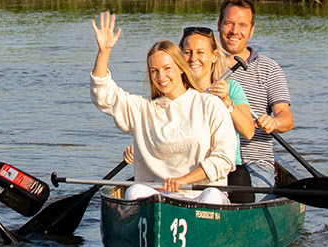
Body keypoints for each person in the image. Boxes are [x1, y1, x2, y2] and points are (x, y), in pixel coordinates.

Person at [87, 11, 235, 204]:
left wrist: (183, 181)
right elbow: (104, 96)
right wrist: (104, 51)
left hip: (199, 193)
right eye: (154, 71)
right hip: (157, 197)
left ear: (181, 68)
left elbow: (224, 159)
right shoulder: (143, 110)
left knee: (213, 195)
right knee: (134, 192)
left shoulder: (210, 104)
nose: (161, 77)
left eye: (167, 69)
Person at [216, 0, 294, 188]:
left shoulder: (269, 69)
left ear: (251, 30)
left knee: (249, 196)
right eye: (229, 23)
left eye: (242, 25)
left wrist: (274, 122)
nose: (234, 31)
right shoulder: (202, 64)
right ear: (219, 24)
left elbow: (287, 118)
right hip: (209, 159)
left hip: (254, 163)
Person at [179, 25, 260, 202]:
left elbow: (248, 132)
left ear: (214, 56)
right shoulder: (173, 91)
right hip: (182, 163)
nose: (193, 59)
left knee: (241, 179)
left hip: (227, 167)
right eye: (187, 52)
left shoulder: (231, 89)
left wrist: (226, 102)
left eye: (200, 52)